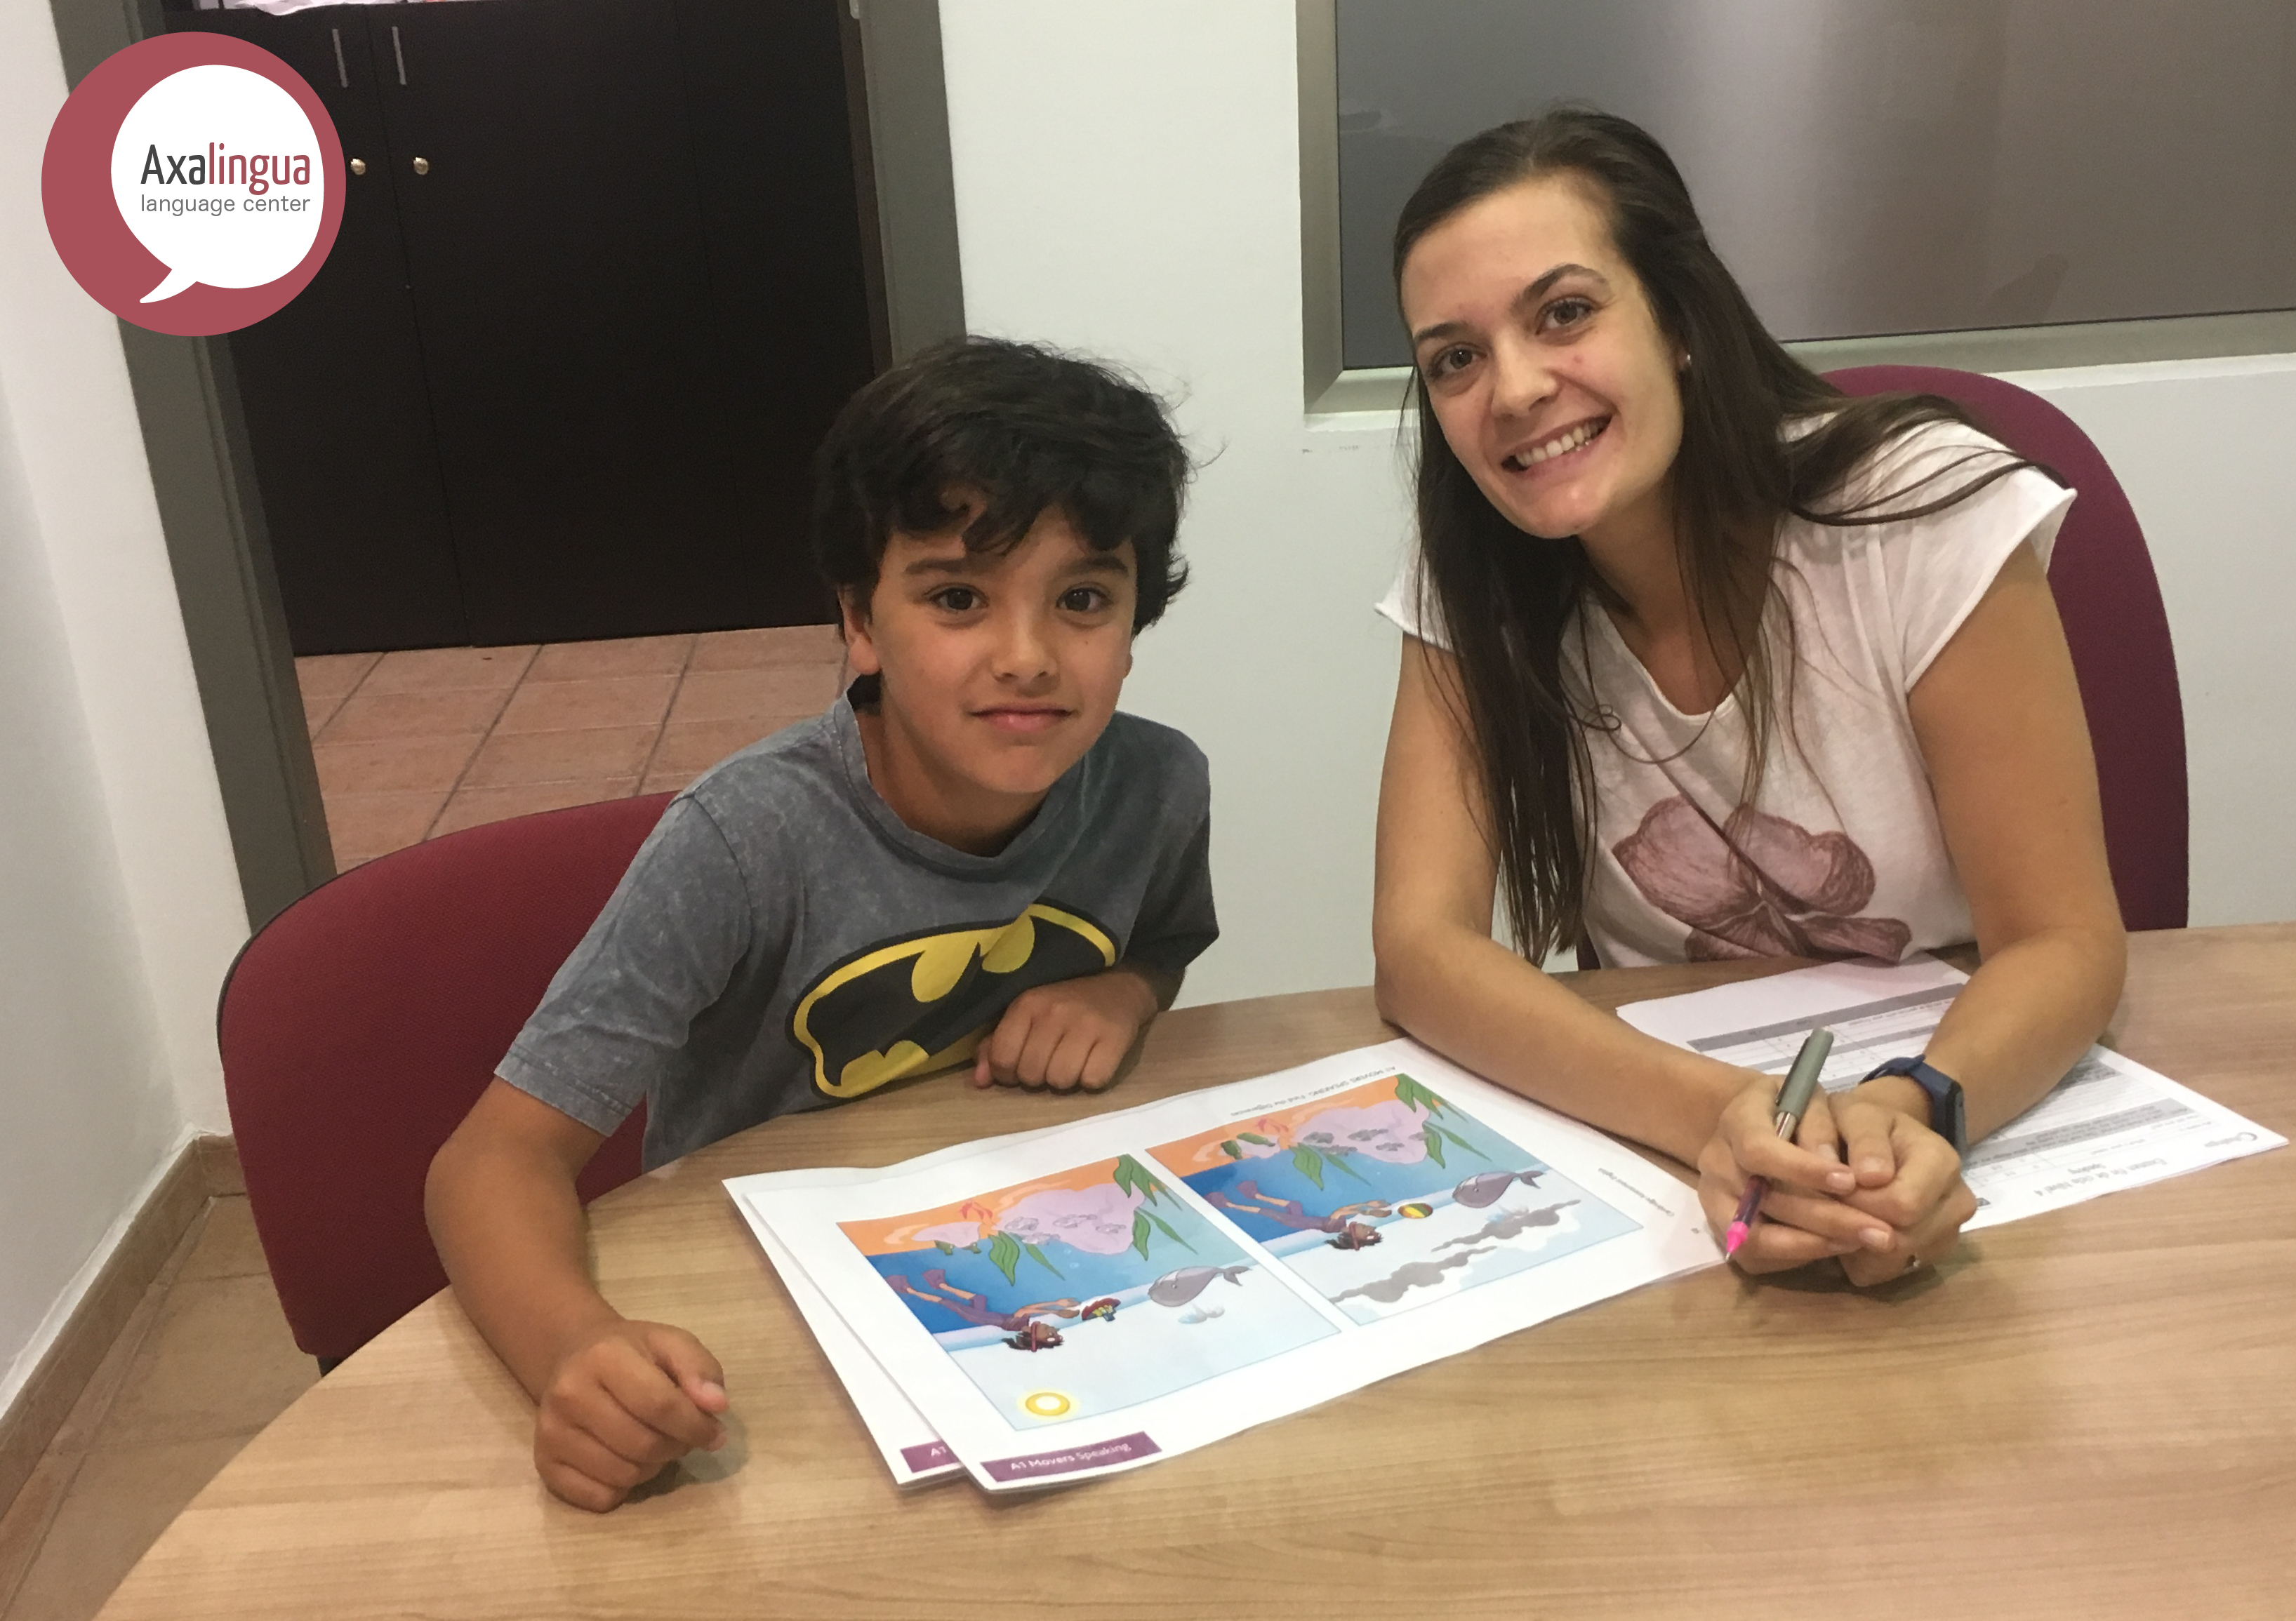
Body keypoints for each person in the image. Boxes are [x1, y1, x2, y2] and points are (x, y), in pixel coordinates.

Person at [425, 337, 1219, 1512]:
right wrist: (573, 1348)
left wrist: (1127, 988)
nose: (1026, 657)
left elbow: (1165, 939)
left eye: (1082, 599)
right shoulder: (744, 840)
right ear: (859, 620)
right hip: (759, 1322)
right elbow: (489, 1159)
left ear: (1134, 619)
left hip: (1026, 1273)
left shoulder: (1157, 784)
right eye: (957, 597)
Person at [1369, 109, 2127, 1289]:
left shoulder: (1918, 509)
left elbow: (2063, 938)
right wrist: (1727, 1116)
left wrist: (1908, 1111)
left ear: (1677, 320)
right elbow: (1421, 949)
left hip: (1957, 1116)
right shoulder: (1472, 582)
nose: (1511, 388)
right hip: (1687, 1172)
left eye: (1562, 312)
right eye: (1453, 359)